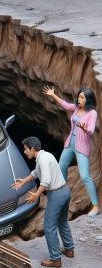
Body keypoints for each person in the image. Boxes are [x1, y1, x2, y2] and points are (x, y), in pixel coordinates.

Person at [12, 136, 74, 268]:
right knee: (62, 222)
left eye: (25, 149)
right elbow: (36, 173)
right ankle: (69, 249)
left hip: (56, 194)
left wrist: (36, 195)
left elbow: (45, 181)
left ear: (32, 148)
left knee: (49, 227)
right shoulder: (44, 156)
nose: (24, 152)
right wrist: (23, 181)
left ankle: (55, 259)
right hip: (64, 191)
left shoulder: (43, 160)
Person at [43, 86, 100, 216]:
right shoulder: (76, 108)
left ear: (88, 99)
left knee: (85, 176)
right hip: (70, 144)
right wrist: (53, 95)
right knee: (61, 167)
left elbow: (91, 130)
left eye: (82, 98)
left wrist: (85, 129)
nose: (79, 100)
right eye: (79, 97)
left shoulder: (92, 113)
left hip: (82, 146)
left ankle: (96, 206)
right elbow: (66, 105)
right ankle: (61, 196)